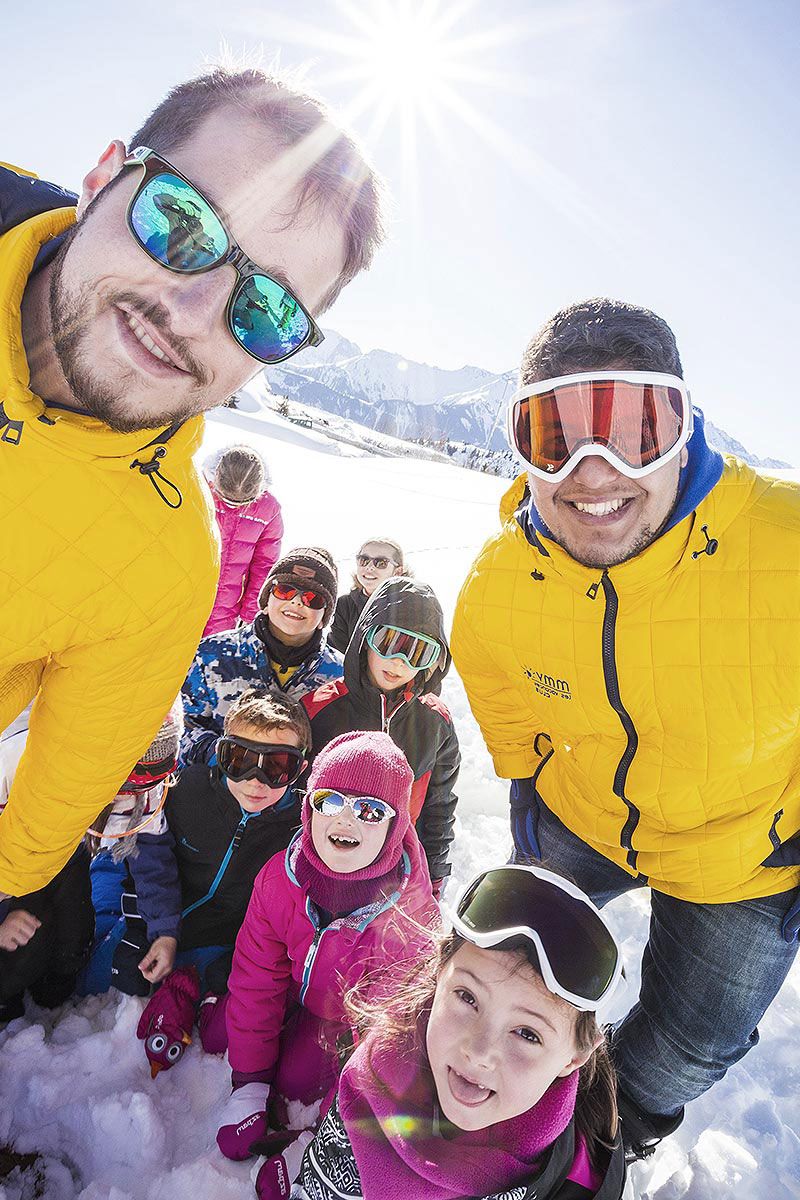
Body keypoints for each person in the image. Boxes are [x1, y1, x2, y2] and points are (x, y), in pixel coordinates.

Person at [0, 64, 386, 901]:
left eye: (267, 310)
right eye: (181, 222)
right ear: (104, 177)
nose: (195, 306)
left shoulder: (165, 567)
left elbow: (43, 817)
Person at [451, 298, 800, 1160]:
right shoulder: (500, 585)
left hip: (739, 853)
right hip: (581, 817)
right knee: (498, 971)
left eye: (634, 428)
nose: (592, 471)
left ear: (684, 424)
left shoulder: (785, 547)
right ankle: (479, 1102)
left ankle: (611, 1133)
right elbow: (511, 718)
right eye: (551, 436)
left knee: (690, 1048)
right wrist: (536, 817)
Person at [259, 864, 626, 1200]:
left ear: (575, 1056)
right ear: (439, 976)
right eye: (467, 997)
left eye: (527, 1034)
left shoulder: (579, 1180)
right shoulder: (372, 1077)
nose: (479, 1052)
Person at [216, 730, 439, 1164]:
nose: (346, 820)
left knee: (297, 1081)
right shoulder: (279, 879)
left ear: (396, 827)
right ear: (309, 808)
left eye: (371, 810)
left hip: (337, 1022)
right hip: (291, 994)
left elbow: (384, 1045)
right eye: (330, 801)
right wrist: (249, 1083)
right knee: (223, 1032)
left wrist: (327, 1132)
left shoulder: (410, 921)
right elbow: (257, 979)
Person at [82, 690, 309, 1011]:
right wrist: (157, 932)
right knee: (91, 985)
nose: (256, 781)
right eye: (240, 760)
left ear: (300, 769)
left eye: (276, 766)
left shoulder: (298, 832)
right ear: (222, 753)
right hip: (155, 914)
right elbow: (150, 862)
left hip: (220, 942)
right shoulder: (187, 791)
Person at [305, 576, 460, 892]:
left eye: (418, 653)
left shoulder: (435, 723)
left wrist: (433, 875)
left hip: (397, 873)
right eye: (389, 642)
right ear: (364, 638)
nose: (399, 662)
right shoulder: (320, 709)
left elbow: (439, 808)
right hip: (326, 861)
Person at [182, 548, 342, 764]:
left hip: (297, 791)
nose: (296, 602)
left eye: (312, 599)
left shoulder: (340, 675)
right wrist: (223, 756)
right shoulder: (210, 654)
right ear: (267, 601)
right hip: (216, 785)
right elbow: (184, 724)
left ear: (324, 617)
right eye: (285, 591)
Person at [203, 445, 284, 637]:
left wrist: (251, 612)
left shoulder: (268, 510)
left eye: (241, 503)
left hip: (226, 610)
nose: (232, 506)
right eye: (225, 499)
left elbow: (265, 564)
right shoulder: (198, 490)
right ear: (215, 478)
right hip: (182, 601)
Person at [328, 537, 407, 654]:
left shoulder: (409, 605)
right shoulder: (345, 604)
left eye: (381, 563)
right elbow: (337, 651)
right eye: (363, 560)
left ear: (397, 572)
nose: (369, 567)